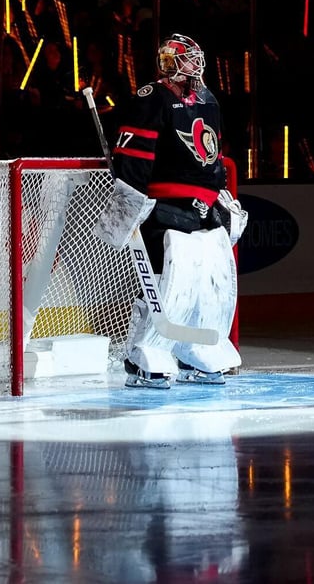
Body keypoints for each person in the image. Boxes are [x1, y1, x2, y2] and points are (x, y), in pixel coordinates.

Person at [92, 33, 247, 389]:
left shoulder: (208, 99)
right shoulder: (152, 97)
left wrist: (221, 195)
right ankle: (144, 356)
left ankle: (197, 352)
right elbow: (134, 160)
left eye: (193, 58)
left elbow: (212, 157)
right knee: (167, 284)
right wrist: (128, 208)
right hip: (165, 209)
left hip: (204, 209)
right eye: (186, 59)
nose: (193, 65)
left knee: (207, 285)